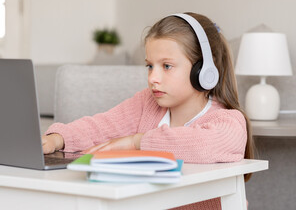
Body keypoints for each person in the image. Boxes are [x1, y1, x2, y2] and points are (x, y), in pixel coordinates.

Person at [42, 12, 254, 209]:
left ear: (204, 71)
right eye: (150, 66)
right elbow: (101, 126)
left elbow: (204, 145)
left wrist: (136, 143)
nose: (153, 78)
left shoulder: (228, 121)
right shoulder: (146, 103)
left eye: (167, 66)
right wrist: (59, 138)